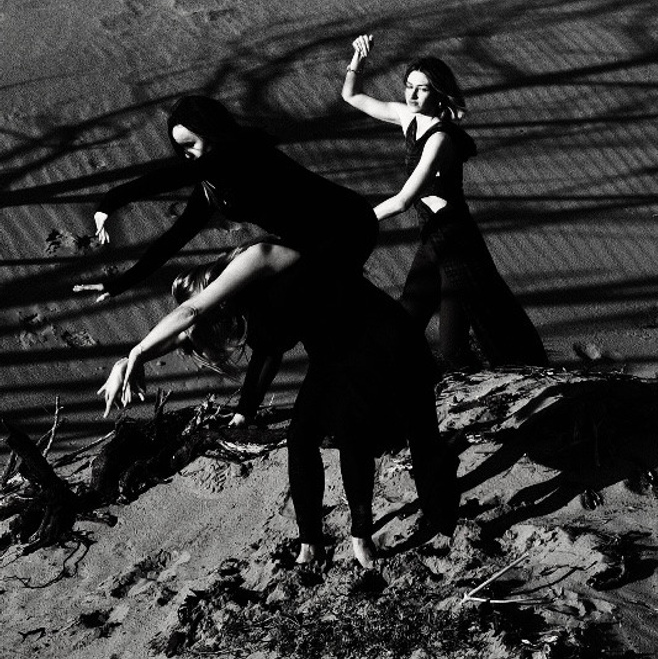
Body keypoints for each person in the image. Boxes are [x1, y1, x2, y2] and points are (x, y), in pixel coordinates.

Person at [100, 240, 459, 568]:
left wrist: (136, 354)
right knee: (301, 435)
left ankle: (361, 535)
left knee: (358, 435)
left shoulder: (257, 267)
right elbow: (193, 334)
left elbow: (191, 317)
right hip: (331, 354)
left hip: (374, 339)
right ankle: (310, 544)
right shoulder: (236, 304)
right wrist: (132, 363)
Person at [341, 34, 546, 369]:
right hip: (432, 240)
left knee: (453, 347)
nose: (411, 94)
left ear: (438, 93)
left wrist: (356, 221)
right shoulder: (409, 119)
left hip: (456, 244)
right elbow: (352, 96)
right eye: (409, 85)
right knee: (407, 320)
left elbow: (406, 199)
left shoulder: (439, 140)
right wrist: (358, 59)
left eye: (421, 88)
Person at [83, 95, 377, 302]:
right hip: (312, 239)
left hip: (347, 224)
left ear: (213, 132)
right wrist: (121, 283)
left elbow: (167, 178)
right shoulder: (211, 185)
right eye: (182, 150)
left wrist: (110, 201)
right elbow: (173, 239)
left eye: (193, 144)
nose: (190, 155)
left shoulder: (242, 152)